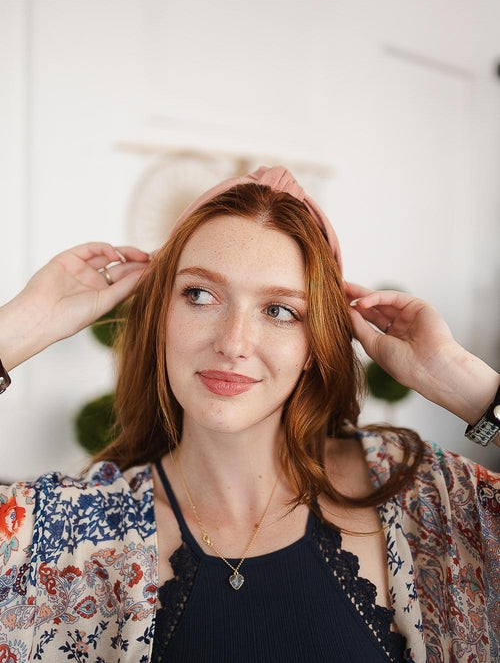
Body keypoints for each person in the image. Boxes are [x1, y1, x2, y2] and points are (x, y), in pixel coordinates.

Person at [0, 165, 498, 663]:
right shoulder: (67, 538)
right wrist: (21, 326)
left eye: (280, 310)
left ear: (314, 342)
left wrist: (460, 379)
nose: (233, 343)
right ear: (161, 317)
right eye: (199, 295)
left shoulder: (424, 493)